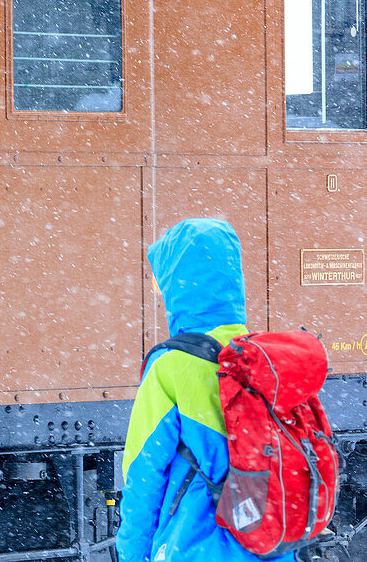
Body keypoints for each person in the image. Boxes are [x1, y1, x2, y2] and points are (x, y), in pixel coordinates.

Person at [115, 218, 294, 562]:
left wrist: (132, 553)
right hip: (270, 546)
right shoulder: (264, 358)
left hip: (196, 544)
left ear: (178, 288)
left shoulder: (170, 367)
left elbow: (143, 476)